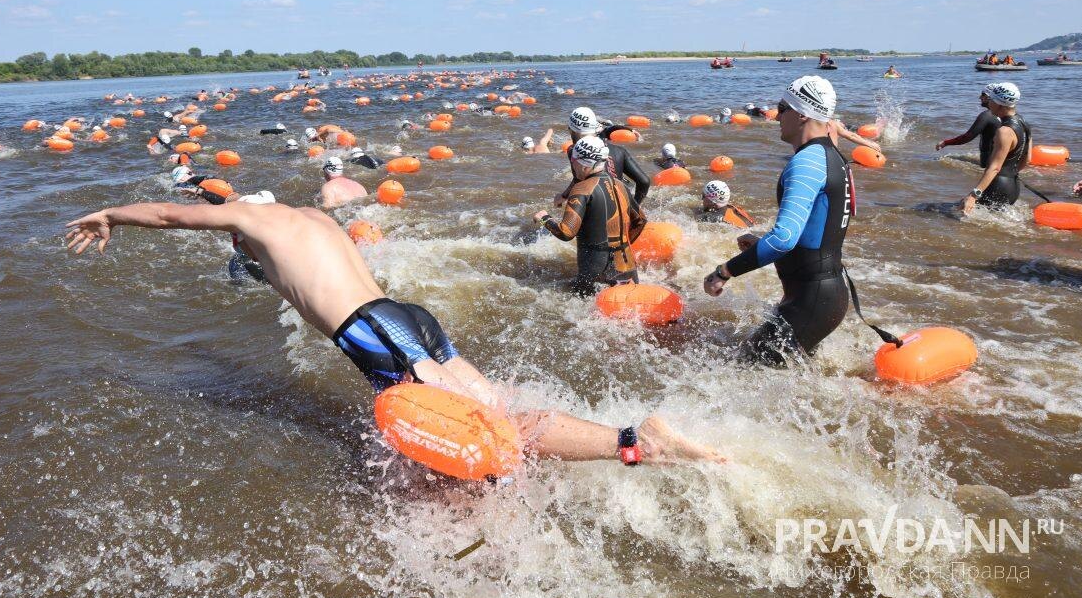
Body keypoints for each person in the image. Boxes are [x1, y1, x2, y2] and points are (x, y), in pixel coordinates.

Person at [64, 198, 725, 467]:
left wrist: (110, 217)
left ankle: (637, 442)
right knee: (488, 407)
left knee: (498, 424)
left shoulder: (256, 224)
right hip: (406, 317)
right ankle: (564, 464)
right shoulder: (312, 217)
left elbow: (171, 215)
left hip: (374, 331)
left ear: (245, 221)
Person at [702, 76, 853, 365]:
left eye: (782, 108)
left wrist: (723, 272)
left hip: (812, 299)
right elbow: (821, 228)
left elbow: (784, 238)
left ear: (802, 114)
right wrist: (762, 244)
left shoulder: (807, 161)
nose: (776, 115)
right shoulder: (834, 158)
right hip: (823, 294)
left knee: (743, 373)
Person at [534, 136, 645, 297]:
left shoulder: (581, 189)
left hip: (596, 275)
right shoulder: (621, 185)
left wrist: (545, 218)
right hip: (628, 271)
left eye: (573, 160)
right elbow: (640, 221)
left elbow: (566, 232)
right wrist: (617, 248)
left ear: (582, 163)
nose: (572, 164)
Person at [959, 82, 1030, 213]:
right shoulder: (1024, 123)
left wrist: (974, 195)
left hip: (996, 186)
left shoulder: (1004, 131)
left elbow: (995, 167)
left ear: (999, 103)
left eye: (991, 99)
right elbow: (1027, 159)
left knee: (957, 214)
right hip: (1013, 187)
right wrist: (1009, 175)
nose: (989, 103)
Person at [563, 107, 650, 205]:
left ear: (570, 130)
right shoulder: (619, 150)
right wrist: (635, 208)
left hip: (600, 208)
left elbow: (578, 181)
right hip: (622, 200)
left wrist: (563, 196)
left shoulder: (574, 151)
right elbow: (644, 182)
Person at [936, 85, 1000, 167]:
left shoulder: (986, 116)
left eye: (983, 94)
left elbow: (968, 137)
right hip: (1001, 162)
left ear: (989, 97)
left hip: (989, 163)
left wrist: (945, 143)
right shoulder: (1011, 116)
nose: (980, 97)